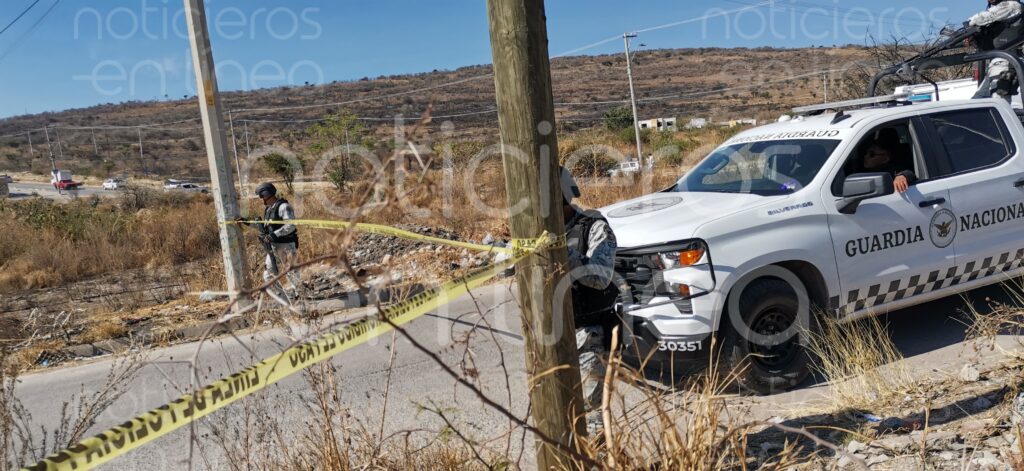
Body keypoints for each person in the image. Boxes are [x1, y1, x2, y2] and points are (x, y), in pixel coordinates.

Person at [560, 166, 619, 436]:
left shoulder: (594, 228)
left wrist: (563, 254)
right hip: (556, 338)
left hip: (590, 338)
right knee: (561, 416)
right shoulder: (537, 234)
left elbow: (601, 277)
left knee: (592, 419)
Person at [238, 182, 303, 303]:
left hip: (286, 245)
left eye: (261, 196)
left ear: (267, 194)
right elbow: (265, 227)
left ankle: (300, 297)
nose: (261, 199)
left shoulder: (283, 207)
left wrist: (274, 235)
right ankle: (285, 301)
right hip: (273, 247)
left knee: (291, 272)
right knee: (268, 275)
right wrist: (247, 222)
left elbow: (291, 225)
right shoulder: (268, 209)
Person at [969, 0, 1024, 100]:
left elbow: (980, 18)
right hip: (999, 61)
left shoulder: (1011, 5)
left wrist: (967, 26)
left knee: (998, 100)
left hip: (1007, 62)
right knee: (979, 100)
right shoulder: (999, 16)